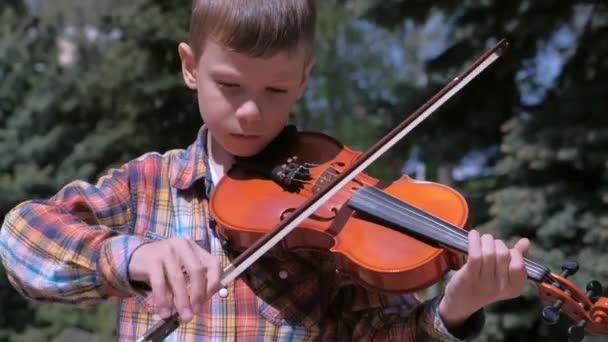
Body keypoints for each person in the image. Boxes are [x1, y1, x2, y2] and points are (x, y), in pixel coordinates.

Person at [0, 0, 530, 340]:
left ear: (304, 79)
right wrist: (133, 254)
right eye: (230, 85)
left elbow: (380, 334)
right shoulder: (149, 184)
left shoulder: (339, 205)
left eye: (275, 90)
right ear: (190, 67)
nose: (251, 112)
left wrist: (455, 311)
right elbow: (22, 238)